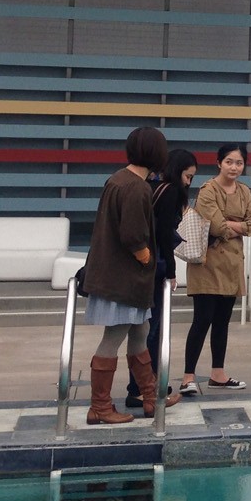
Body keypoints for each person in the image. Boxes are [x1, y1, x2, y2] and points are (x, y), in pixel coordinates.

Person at [81, 127, 176, 423]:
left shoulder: (119, 179)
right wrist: (147, 259)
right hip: (124, 279)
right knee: (114, 338)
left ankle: (151, 397)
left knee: (141, 333)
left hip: (119, 277)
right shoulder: (136, 187)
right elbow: (133, 236)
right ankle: (100, 407)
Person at [181, 143, 251, 394]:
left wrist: (235, 224)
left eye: (238, 163)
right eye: (229, 162)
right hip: (207, 264)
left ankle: (218, 373)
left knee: (223, 321)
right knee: (202, 320)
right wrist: (238, 225)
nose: (234, 167)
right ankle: (187, 377)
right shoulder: (208, 190)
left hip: (232, 264)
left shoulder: (244, 191)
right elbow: (217, 228)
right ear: (218, 163)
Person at [125, 148, 195, 408]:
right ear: (178, 171)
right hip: (157, 266)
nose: (189, 183)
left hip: (142, 265)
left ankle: (143, 386)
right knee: (151, 331)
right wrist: (173, 272)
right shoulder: (172, 192)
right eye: (188, 176)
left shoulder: (150, 186)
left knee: (142, 329)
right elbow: (165, 235)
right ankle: (145, 388)